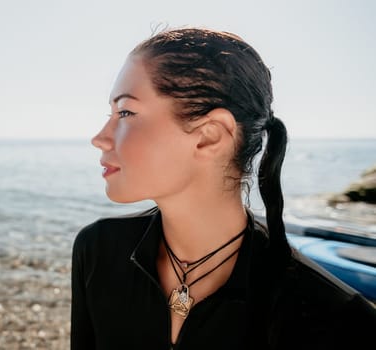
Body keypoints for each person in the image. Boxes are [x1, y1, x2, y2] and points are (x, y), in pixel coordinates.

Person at [70, 27, 376, 350]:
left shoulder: (337, 318)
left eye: (126, 112)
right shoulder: (96, 252)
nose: (99, 137)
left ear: (210, 135)